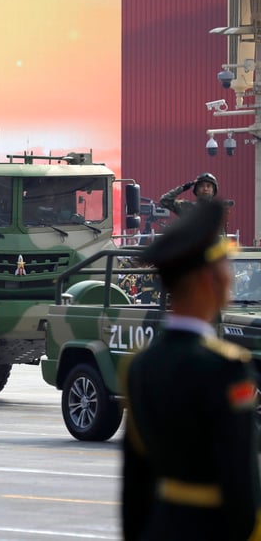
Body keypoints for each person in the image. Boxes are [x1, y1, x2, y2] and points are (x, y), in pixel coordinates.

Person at [121, 198, 261, 540]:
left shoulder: (140, 366)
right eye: (225, 267)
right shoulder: (225, 369)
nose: (230, 277)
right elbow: (241, 480)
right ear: (206, 280)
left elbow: (135, 485)